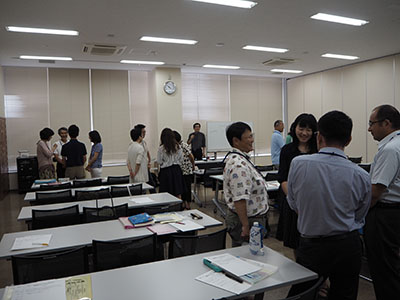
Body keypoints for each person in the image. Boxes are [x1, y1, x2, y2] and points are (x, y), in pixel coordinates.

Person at [286, 111, 371, 300]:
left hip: (312, 245)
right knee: (345, 294)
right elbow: (360, 214)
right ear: (348, 140)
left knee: (303, 294)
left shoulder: (299, 164)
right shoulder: (362, 175)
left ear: (319, 136)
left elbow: (293, 202)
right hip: (348, 244)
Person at [364, 104, 400, 300]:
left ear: (386, 123)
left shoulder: (390, 149)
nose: (369, 129)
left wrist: (358, 215)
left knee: (384, 270)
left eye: (372, 123)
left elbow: (376, 191)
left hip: (384, 216)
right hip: (394, 215)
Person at [223, 122, 269, 247]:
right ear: (236, 141)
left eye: (251, 136)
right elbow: (239, 199)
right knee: (245, 259)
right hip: (246, 221)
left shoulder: (242, 159)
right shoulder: (238, 165)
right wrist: (245, 226)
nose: (252, 140)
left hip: (250, 220)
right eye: (248, 137)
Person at [276, 113, 318, 250]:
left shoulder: (317, 151)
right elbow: (283, 178)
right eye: (301, 128)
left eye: (309, 129)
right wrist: (295, 203)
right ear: (295, 128)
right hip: (291, 201)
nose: (304, 133)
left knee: (313, 240)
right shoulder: (287, 150)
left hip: (313, 201)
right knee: (294, 240)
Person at [157, 128, 184, 198]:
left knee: (166, 193)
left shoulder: (161, 148)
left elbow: (159, 161)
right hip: (177, 170)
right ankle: (178, 207)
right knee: (178, 191)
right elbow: (181, 160)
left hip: (165, 172)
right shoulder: (178, 147)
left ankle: (167, 208)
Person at [174, 130, 195, 210]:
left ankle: (188, 203)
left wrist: (193, 165)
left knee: (187, 188)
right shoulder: (175, 146)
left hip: (186, 170)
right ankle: (183, 203)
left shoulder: (184, 145)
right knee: (181, 188)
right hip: (179, 171)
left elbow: (191, 156)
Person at [134, 124, 156, 193]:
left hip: (145, 168)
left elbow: (147, 153)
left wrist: (149, 163)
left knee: (152, 185)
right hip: (140, 168)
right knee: (143, 186)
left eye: (145, 132)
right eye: (143, 132)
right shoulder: (135, 145)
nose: (144, 134)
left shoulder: (144, 142)